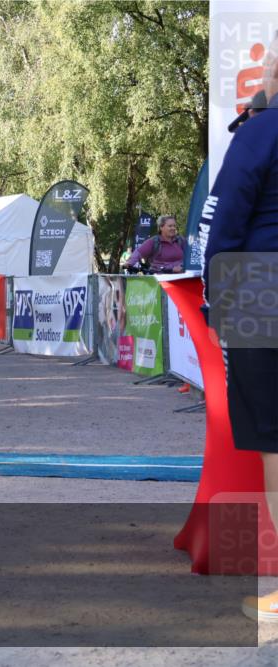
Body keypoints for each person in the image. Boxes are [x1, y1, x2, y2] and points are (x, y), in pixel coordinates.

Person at [201, 39, 278, 622]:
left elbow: (225, 218)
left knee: (275, 441)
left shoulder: (259, 130)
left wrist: (215, 300)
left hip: (262, 292)